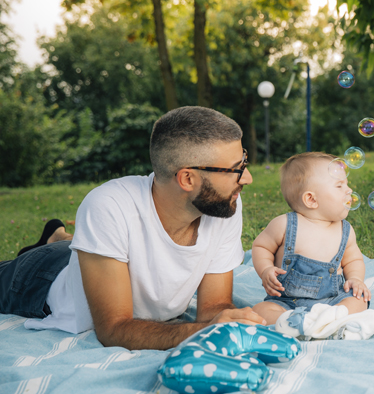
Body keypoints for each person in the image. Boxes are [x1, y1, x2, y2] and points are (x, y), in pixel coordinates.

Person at [0, 106, 266, 349]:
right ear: (187, 178)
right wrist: (203, 333)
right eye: (236, 169)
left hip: (96, 254)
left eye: (243, 161)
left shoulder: (222, 203)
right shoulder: (108, 206)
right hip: (39, 278)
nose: (248, 178)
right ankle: (54, 242)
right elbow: (113, 329)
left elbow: (214, 309)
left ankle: (58, 236)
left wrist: (231, 323)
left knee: (81, 246)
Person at [250, 153, 374, 340]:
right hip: (287, 301)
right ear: (311, 199)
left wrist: (355, 279)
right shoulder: (285, 225)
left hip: (332, 300)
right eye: (339, 186)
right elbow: (261, 247)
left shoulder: (345, 230)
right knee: (260, 311)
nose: (349, 190)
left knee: (359, 299)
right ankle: (299, 321)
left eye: (346, 184)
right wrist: (266, 270)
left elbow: (353, 259)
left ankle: (330, 319)